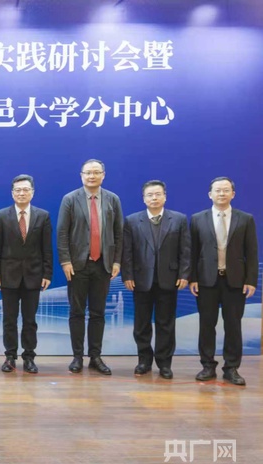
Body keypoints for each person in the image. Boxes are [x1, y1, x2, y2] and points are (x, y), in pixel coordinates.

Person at [57, 159, 123, 375]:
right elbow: (62, 232)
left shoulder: (113, 199)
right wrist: (65, 261)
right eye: (88, 173)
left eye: (96, 172)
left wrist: (116, 261)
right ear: (81, 175)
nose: (92, 176)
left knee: (98, 313)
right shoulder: (70, 199)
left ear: (103, 175)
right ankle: (77, 357)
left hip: (103, 264)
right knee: (76, 312)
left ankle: (95, 356)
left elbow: (119, 233)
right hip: (77, 265)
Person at [189, 177, 258, 386]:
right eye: (217, 190)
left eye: (226, 190)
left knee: (233, 325)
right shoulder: (197, 219)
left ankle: (232, 368)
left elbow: (252, 252)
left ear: (233, 194)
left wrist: (251, 280)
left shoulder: (245, 219)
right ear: (210, 194)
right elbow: (193, 252)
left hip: (235, 281)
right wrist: (192, 278)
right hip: (206, 280)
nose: (221, 194)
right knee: (206, 324)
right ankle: (207, 366)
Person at [121, 180, 190, 379]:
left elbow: (185, 250)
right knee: (141, 324)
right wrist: (128, 275)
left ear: (165, 197)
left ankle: (165, 363)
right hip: (141, 279)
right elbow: (127, 252)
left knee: (165, 323)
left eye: (158, 194)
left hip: (169, 279)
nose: (154, 198)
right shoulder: (132, 220)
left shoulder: (178, 219)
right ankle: (144, 361)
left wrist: (184, 274)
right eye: (150, 195)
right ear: (144, 199)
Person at [0, 174, 52, 374]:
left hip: (34, 275)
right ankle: (10, 356)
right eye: (18, 190)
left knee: (30, 320)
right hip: (8, 275)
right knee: (9, 319)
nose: (22, 193)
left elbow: (47, 248)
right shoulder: (1, 215)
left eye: (25, 190)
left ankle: (29, 357)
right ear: (12, 193)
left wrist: (47, 274)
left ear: (32, 192)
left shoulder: (43, 216)